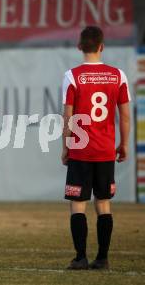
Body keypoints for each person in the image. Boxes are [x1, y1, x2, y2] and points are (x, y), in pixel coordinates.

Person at [61, 26, 130, 270]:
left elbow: (68, 117)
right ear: (102, 46)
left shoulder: (72, 76)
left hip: (80, 151)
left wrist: (66, 147)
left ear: (80, 46)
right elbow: (124, 116)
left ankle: (80, 257)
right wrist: (122, 144)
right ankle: (102, 258)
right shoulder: (118, 75)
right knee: (103, 204)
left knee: (77, 204)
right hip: (105, 151)